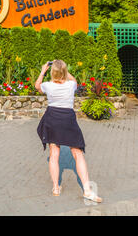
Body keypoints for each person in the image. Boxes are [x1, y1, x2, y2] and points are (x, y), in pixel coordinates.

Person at [35, 60, 102, 203]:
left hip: (52, 118)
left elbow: (37, 87)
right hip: (68, 119)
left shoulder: (47, 85)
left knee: (54, 154)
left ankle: (55, 188)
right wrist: (65, 71)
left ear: (52, 72)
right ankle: (87, 190)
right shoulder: (71, 85)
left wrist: (43, 71)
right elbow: (74, 80)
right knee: (78, 154)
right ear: (65, 72)